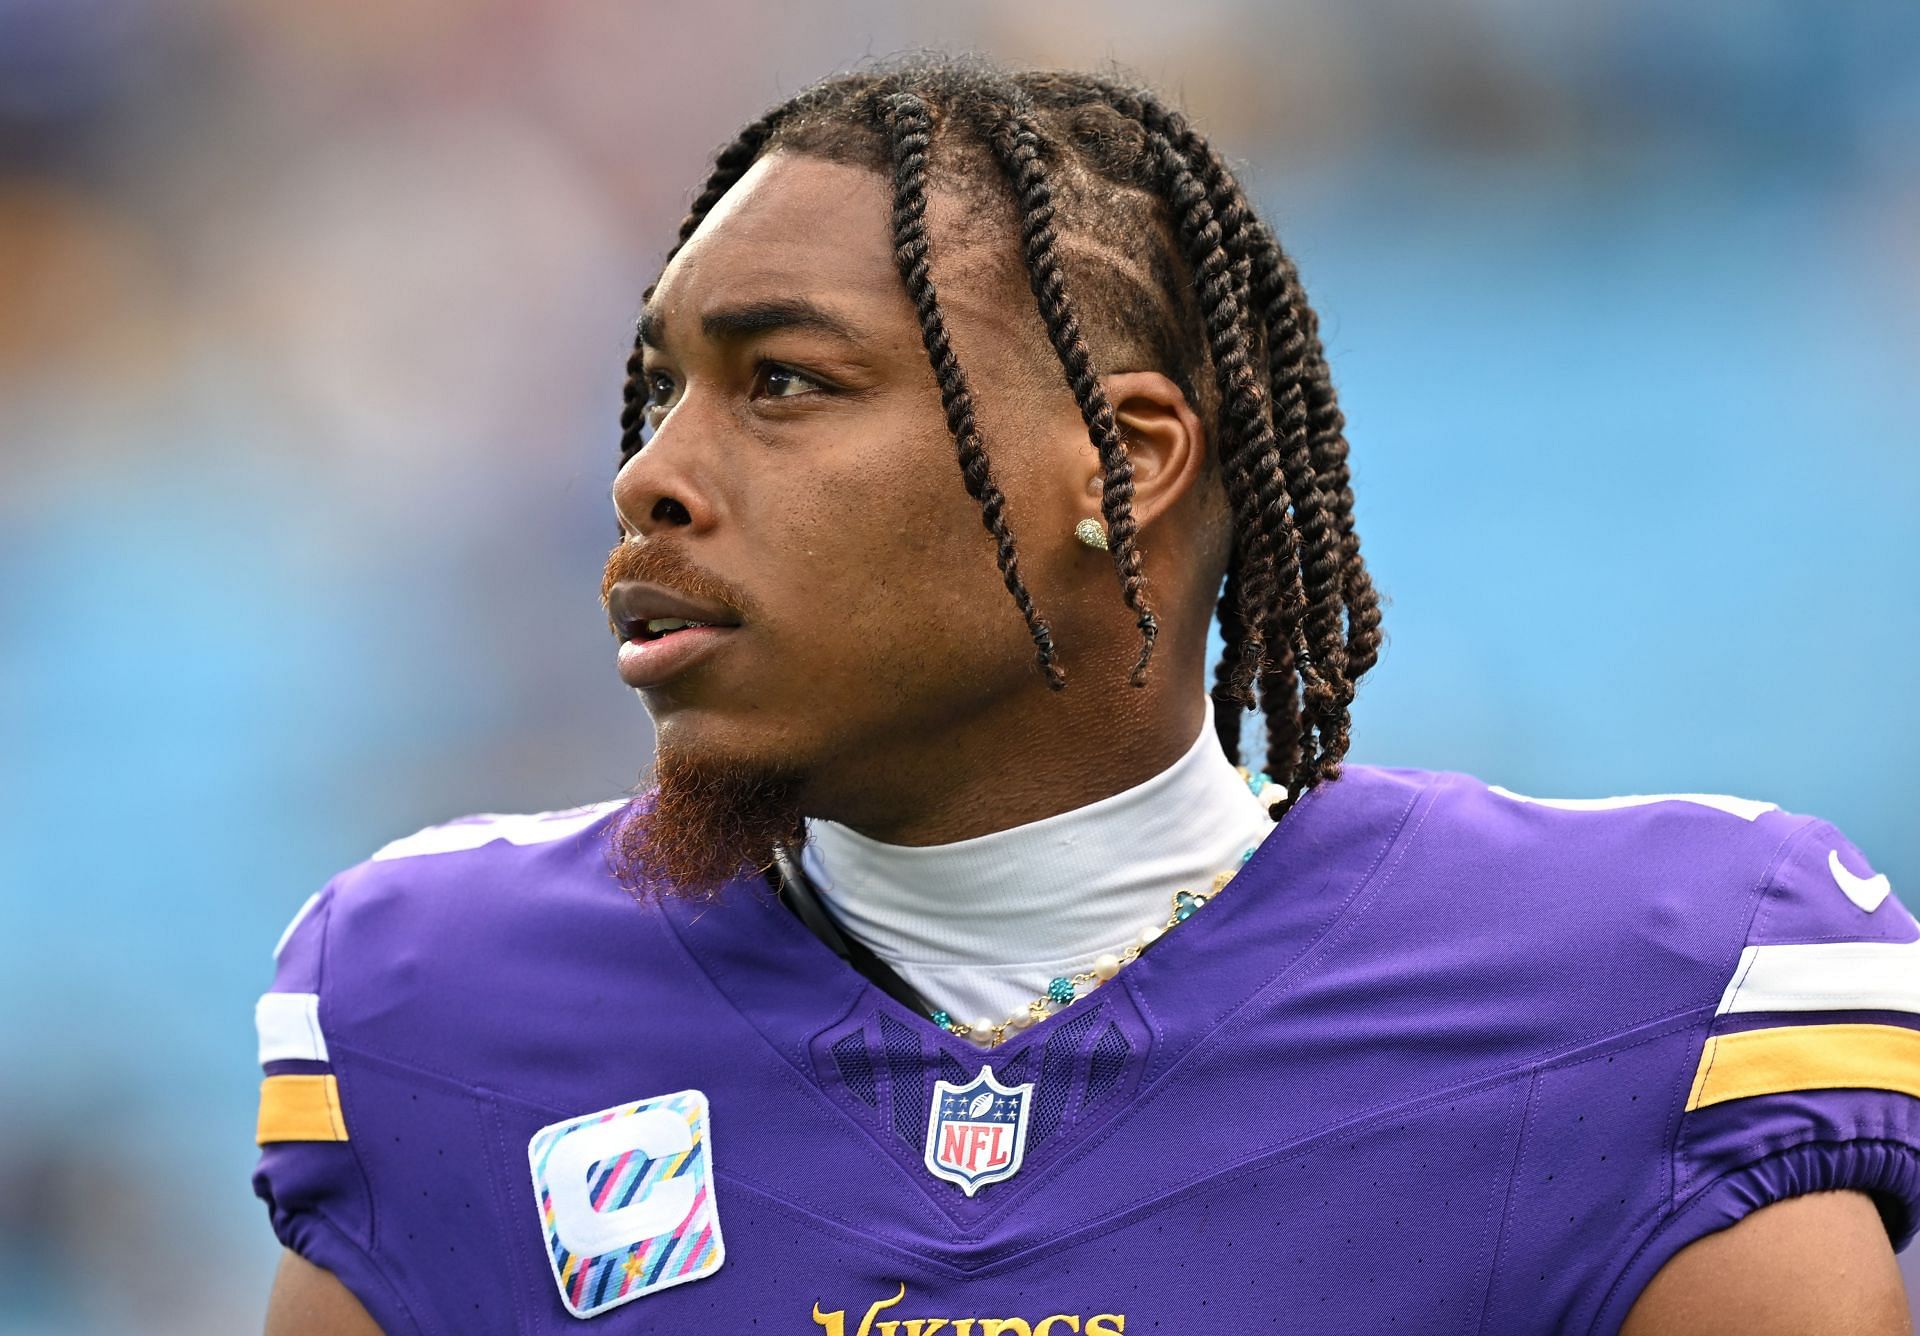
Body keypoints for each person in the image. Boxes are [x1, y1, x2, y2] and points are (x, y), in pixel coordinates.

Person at [254, 59, 1917, 1334]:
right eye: (660, 392)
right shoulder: (441, 1010)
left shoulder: (1642, 997)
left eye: (781, 382)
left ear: (1117, 464)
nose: (652, 477)